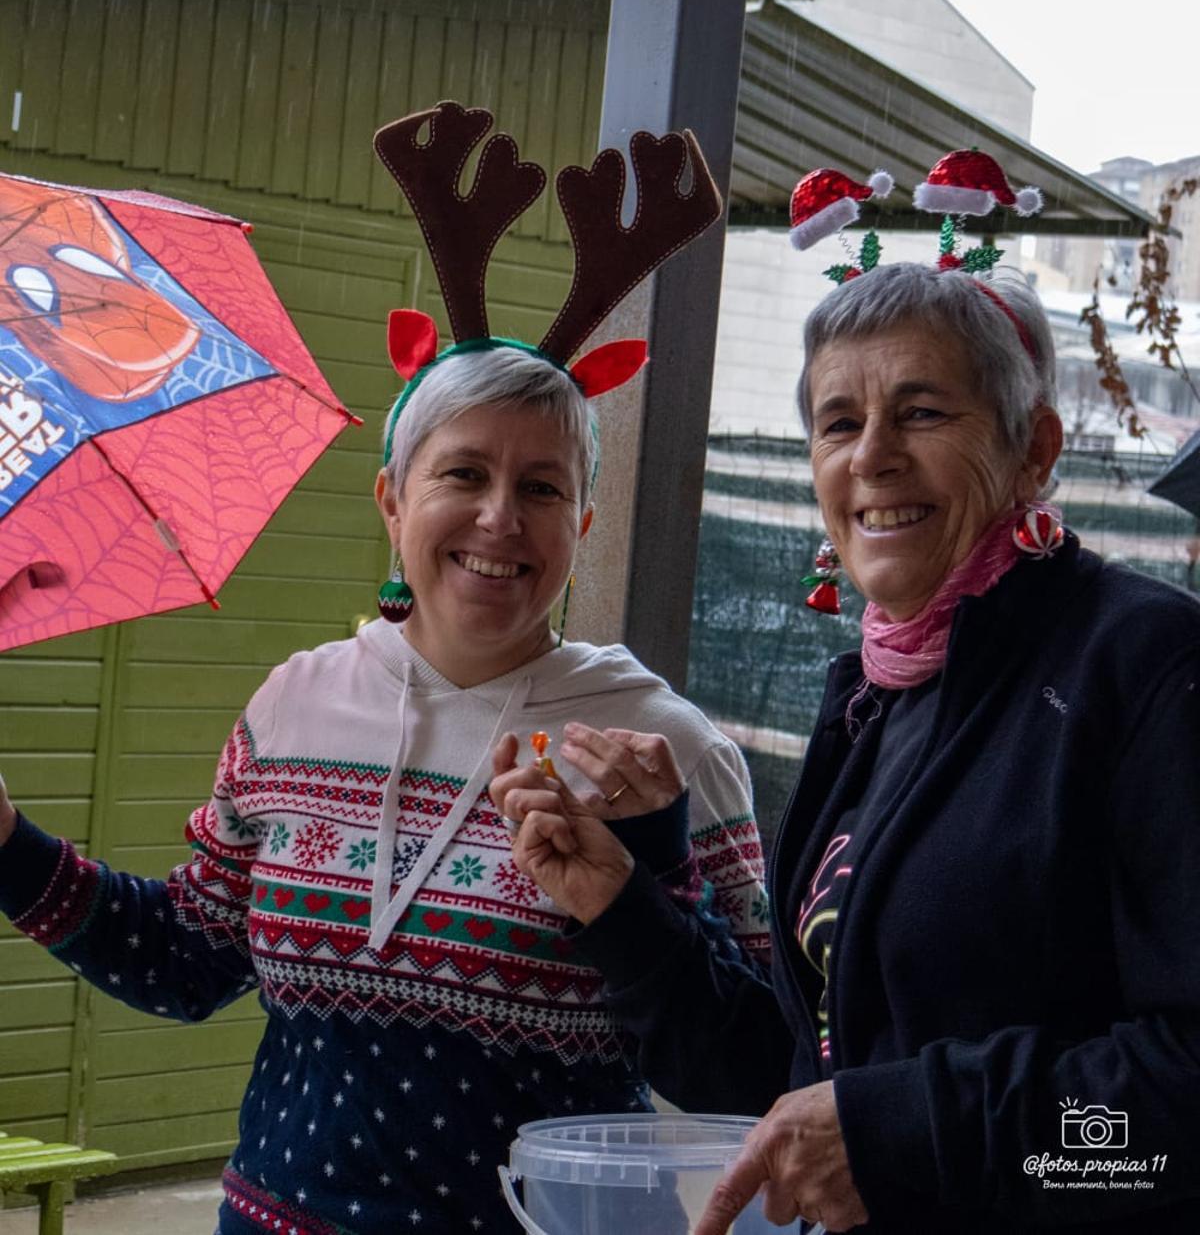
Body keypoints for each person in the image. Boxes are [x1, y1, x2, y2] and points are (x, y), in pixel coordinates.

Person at [0, 103, 768, 1234]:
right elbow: (190, 958)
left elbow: (752, 1062)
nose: (500, 519)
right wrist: (10, 847)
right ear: (394, 500)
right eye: (463, 473)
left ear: (584, 521)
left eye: (543, 486)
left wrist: (639, 880)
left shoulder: (661, 746)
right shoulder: (296, 704)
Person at [491, 260, 1200, 1235]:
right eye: (837, 422)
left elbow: (1178, 1109)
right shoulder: (871, 704)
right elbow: (799, 1079)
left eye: (921, 413)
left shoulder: (1147, 667)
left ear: (1034, 448)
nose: (871, 455)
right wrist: (617, 909)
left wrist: (900, 1131)